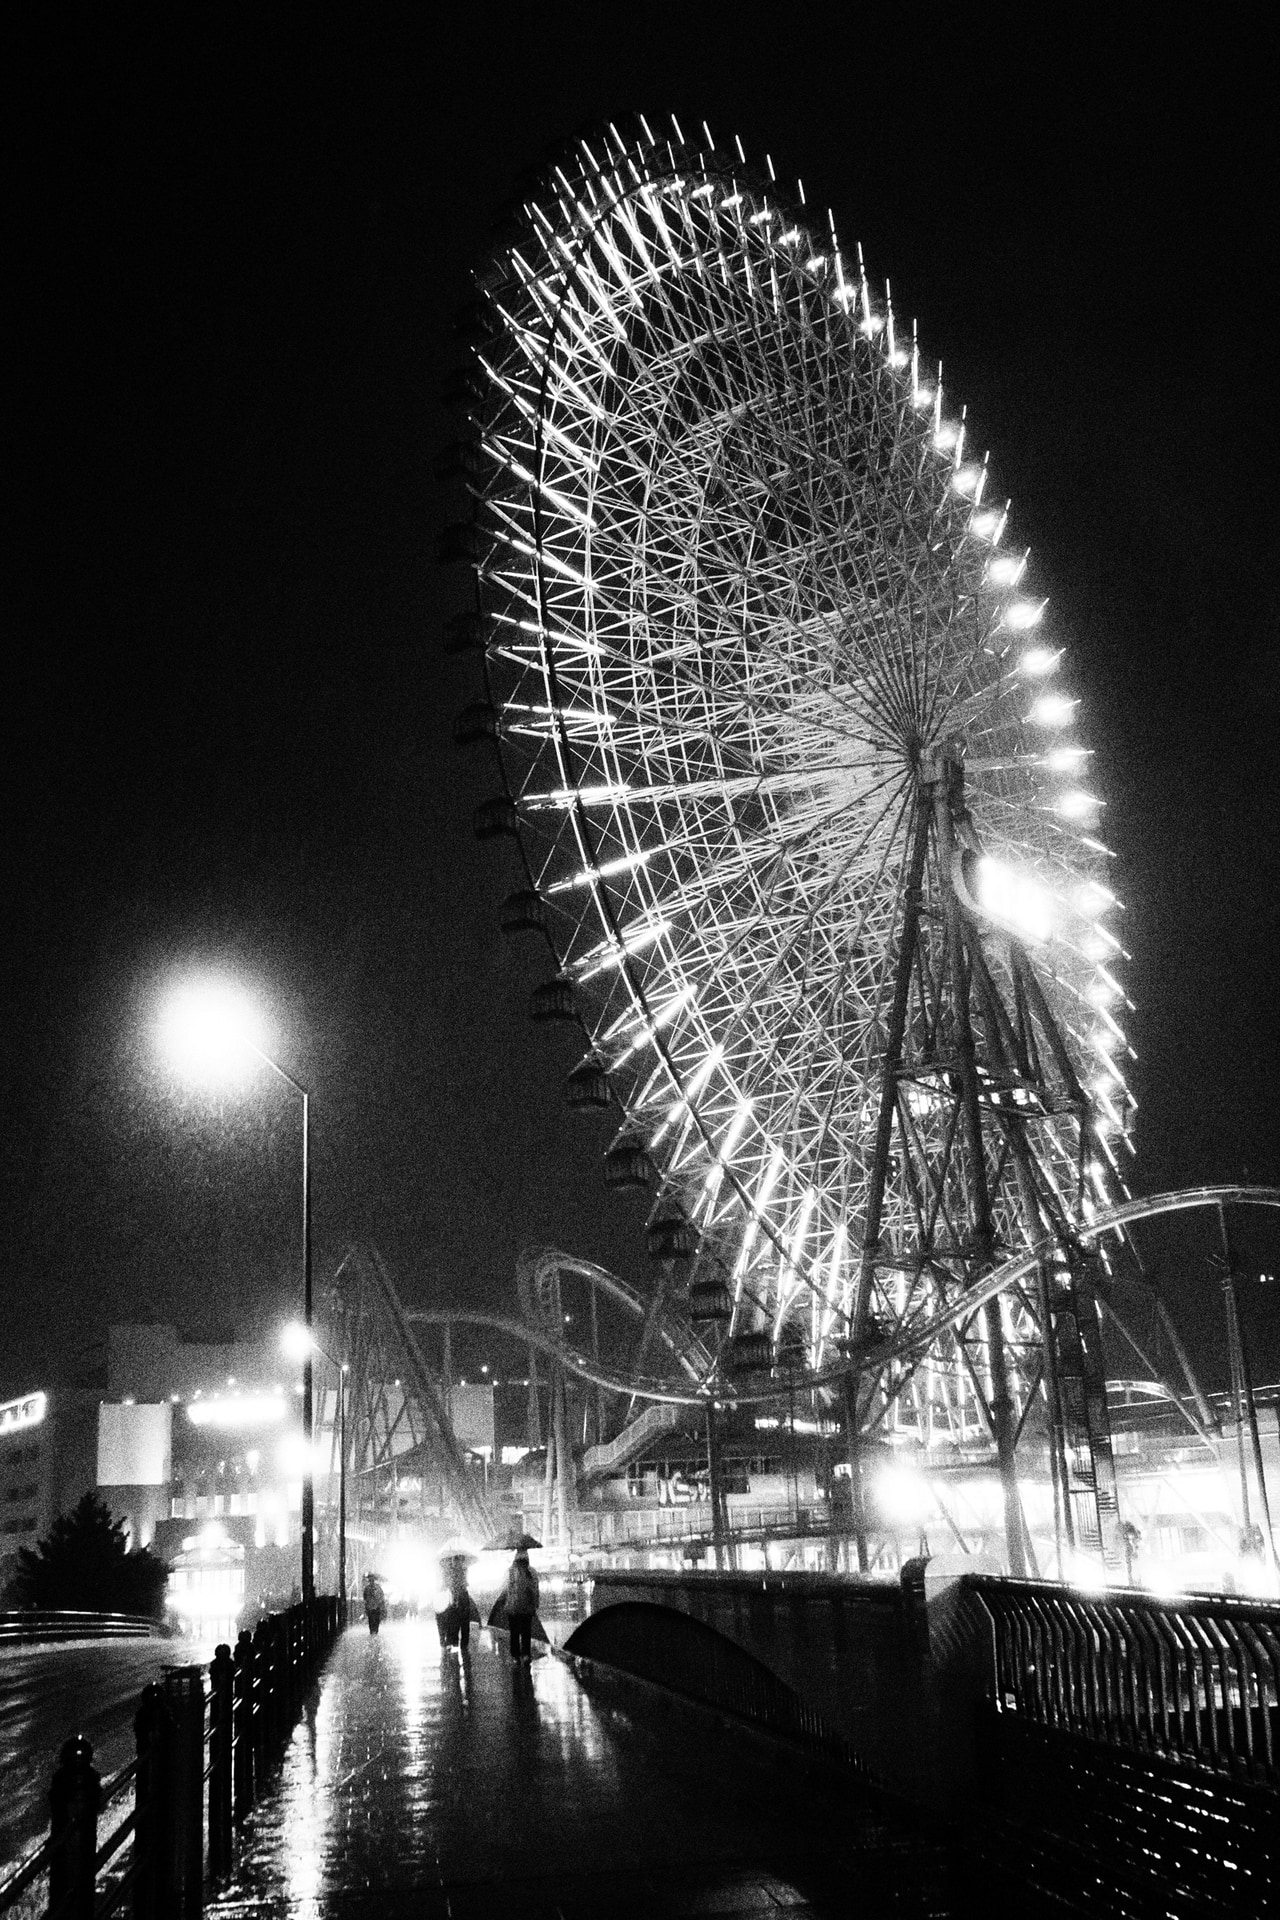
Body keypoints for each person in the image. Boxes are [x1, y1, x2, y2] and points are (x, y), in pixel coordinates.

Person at [504, 1547, 538, 1663]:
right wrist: (535, 1604)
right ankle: (526, 1655)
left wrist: (507, 1604)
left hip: (513, 1607)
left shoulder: (511, 1571)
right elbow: (536, 1589)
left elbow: (505, 1588)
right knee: (526, 1632)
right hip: (527, 1607)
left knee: (514, 1632)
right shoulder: (532, 1571)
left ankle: (515, 1656)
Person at [362, 1571, 386, 1635]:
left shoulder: (378, 1588)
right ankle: (372, 1631)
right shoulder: (367, 1588)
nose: (371, 1581)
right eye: (370, 1580)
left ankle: (375, 1631)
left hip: (377, 1607)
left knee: (376, 1620)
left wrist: (381, 1604)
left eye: (372, 1580)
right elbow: (365, 1598)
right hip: (370, 1607)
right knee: (371, 1620)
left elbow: (382, 1596)